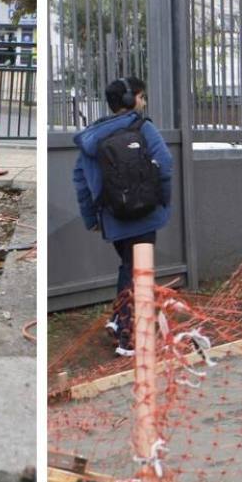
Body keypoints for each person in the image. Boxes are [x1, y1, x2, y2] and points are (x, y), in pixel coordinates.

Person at [73, 77, 173, 356]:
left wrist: (91, 218)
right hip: (145, 213)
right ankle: (130, 341)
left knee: (127, 267)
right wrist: (162, 200)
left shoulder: (92, 136)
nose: (143, 102)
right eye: (141, 97)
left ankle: (118, 322)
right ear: (131, 100)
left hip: (113, 217)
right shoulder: (143, 127)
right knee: (137, 274)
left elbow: (80, 179)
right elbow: (164, 163)